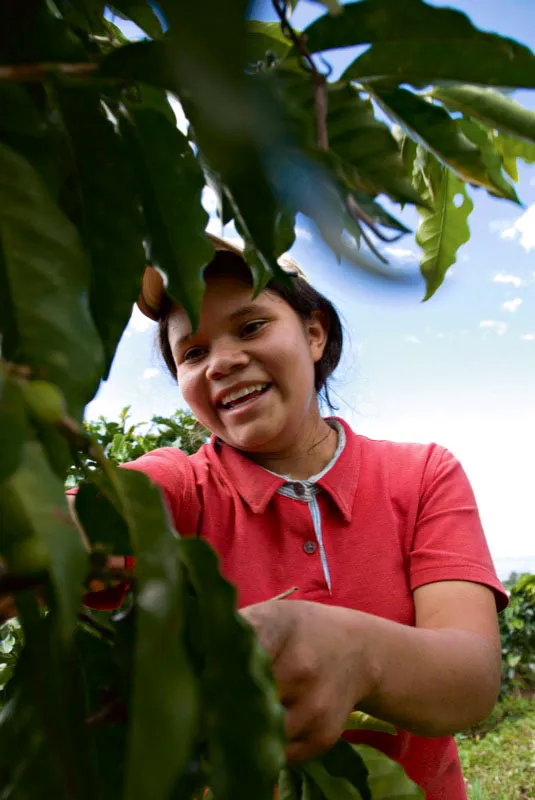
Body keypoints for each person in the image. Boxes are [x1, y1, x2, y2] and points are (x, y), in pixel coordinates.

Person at [79, 235, 507, 799]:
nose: (223, 362)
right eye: (194, 352)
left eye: (251, 326)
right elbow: (102, 513)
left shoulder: (422, 475)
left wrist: (358, 654)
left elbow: (471, 680)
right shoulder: (184, 487)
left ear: (313, 332)